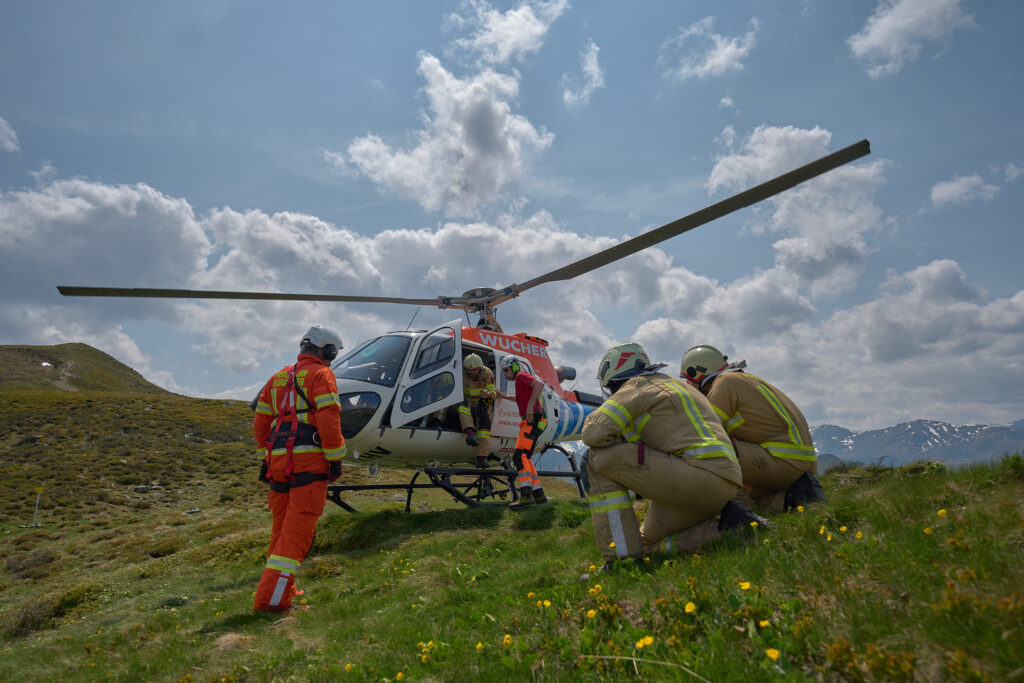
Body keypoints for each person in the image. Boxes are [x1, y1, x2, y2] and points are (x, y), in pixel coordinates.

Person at [581, 342, 762, 566]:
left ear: (614, 379)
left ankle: (620, 562)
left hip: (695, 476)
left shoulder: (635, 386)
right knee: (647, 545)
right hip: (725, 484)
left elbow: (592, 433)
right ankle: (729, 530)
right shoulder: (676, 385)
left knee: (595, 458)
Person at [252, 324, 346, 611]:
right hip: (308, 463)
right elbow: (329, 420)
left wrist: (263, 459)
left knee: (281, 533)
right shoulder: (322, 374)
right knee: (296, 537)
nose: (331, 358)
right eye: (332, 352)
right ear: (324, 350)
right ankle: (273, 601)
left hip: (278, 464)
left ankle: (285, 589)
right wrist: (335, 459)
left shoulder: (278, 377)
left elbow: (260, 422)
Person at [680, 344, 825, 513]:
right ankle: (795, 499)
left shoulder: (725, 383)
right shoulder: (745, 379)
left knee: (710, 451)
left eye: (688, 380)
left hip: (784, 462)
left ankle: (745, 516)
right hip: (796, 463)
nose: (688, 385)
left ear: (698, 373)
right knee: (752, 494)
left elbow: (702, 431)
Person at [495, 355, 548, 510]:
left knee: (519, 456)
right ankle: (539, 496)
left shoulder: (521, 376)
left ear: (515, 368)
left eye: (506, 370)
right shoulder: (519, 382)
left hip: (532, 420)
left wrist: (530, 407)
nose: (504, 374)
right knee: (526, 458)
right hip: (534, 421)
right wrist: (504, 396)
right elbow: (519, 399)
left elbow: (539, 385)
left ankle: (525, 496)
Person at [459, 353, 497, 467]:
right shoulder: (461, 372)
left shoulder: (488, 373)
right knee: (463, 407)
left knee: (485, 420)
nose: (472, 373)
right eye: (469, 371)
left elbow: (494, 392)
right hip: (467, 399)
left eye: (475, 371)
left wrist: (489, 394)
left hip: (482, 401)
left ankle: (482, 457)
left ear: (480, 368)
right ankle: (470, 433)